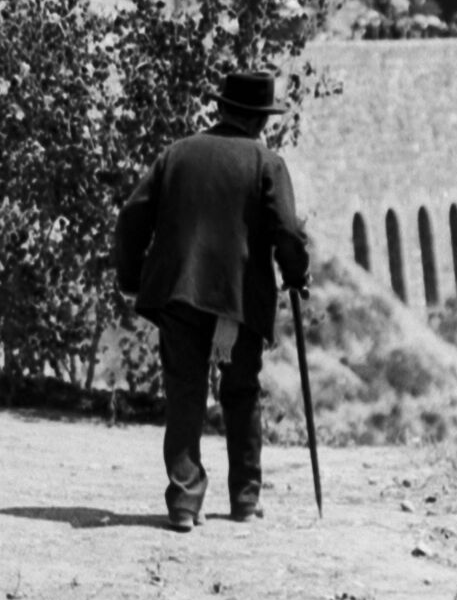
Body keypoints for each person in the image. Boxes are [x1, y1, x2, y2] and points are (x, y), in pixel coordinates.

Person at [112, 68, 314, 531]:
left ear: (221, 109)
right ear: (260, 121)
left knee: (185, 391)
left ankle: (184, 502)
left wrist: (130, 278)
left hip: (179, 292)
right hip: (239, 300)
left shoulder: (177, 154)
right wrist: (297, 274)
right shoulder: (267, 163)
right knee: (241, 392)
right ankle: (244, 499)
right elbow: (286, 232)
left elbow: (131, 217)